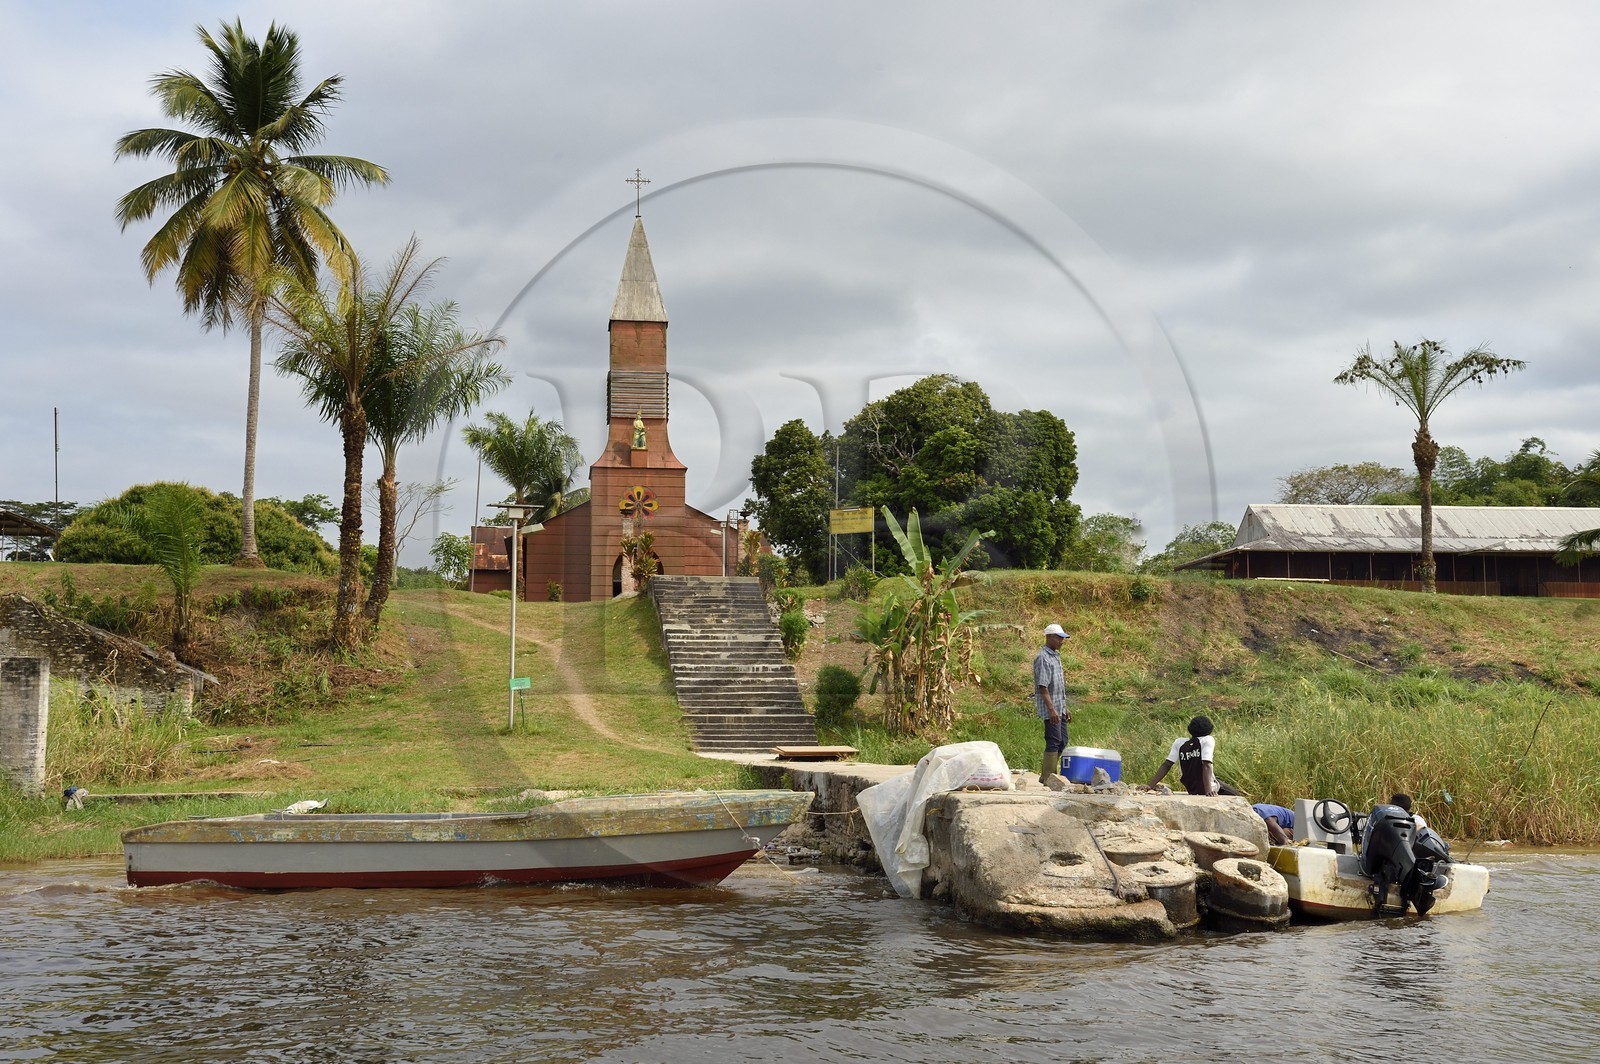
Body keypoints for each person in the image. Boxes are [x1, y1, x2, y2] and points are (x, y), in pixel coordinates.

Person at [1147, 715, 1242, 796]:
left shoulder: (1179, 743)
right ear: (1209, 730)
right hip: (1207, 787)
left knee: (1218, 781)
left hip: (1191, 788)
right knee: (1236, 794)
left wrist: (1150, 786)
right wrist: (1208, 791)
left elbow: (1166, 765)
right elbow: (1206, 765)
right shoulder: (1207, 740)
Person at [1033, 622, 1071, 786]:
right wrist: (1051, 709)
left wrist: (1064, 707)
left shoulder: (1055, 656)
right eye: (1059, 638)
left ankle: (1047, 776)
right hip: (1051, 708)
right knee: (1054, 741)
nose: (1062, 641)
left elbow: (1059, 686)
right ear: (1049, 637)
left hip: (1059, 706)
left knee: (1063, 740)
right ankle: (1049, 777)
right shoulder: (1043, 657)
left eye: (1063, 639)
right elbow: (1043, 686)